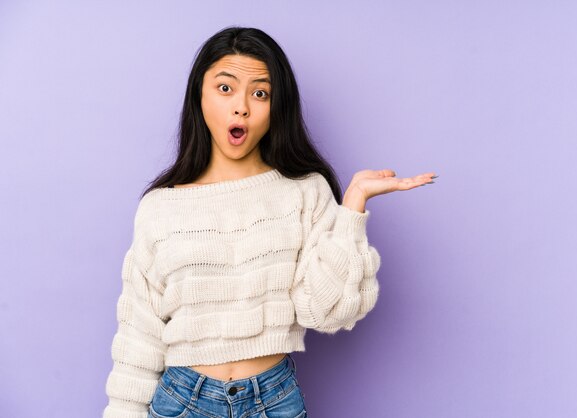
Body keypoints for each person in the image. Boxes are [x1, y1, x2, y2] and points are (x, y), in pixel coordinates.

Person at [103, 26, 436, 418]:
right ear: (199, 95)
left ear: (276, 106)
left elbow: (327, 312)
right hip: (182, 402)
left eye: (259, 93)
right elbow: (138, 338)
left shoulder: (303, 192)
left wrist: (351, 209)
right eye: (225, 88)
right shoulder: (161, 207)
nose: (241, 106)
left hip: (273, 401)